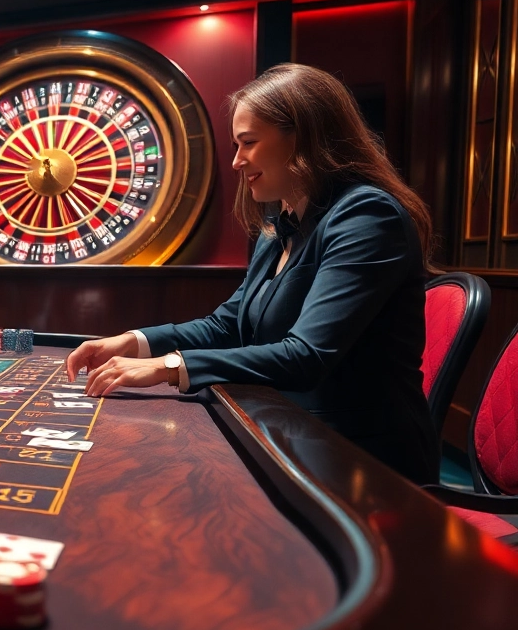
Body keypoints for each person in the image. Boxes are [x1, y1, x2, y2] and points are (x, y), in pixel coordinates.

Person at [65, 63, 437, 483]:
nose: (238, 161)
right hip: (287, 429)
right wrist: (136, 342)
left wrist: (169, 367)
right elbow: (227, 325)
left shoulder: (367, 216)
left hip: (360, 460)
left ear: (304, 138)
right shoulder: (282, 223)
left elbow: (306, 356)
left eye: (249, 143)